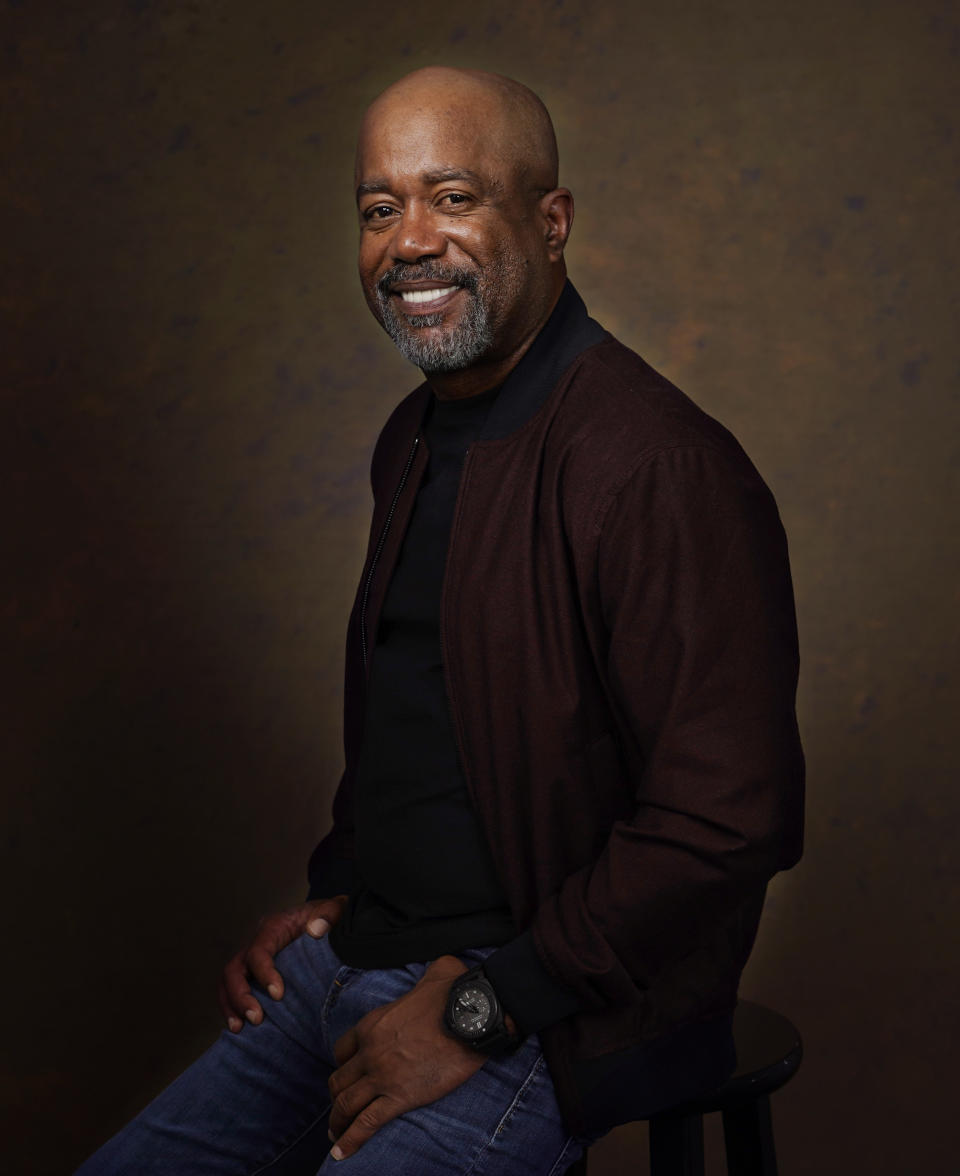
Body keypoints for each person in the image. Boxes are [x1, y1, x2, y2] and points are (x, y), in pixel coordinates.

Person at [76, 66, 804, 1175]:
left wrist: (482, 1007)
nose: (410, 241)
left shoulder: (656, 466)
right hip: (369, 951)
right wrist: (343, 892)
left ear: (550, 223)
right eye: (380, 209)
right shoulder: (412, 440)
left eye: (454, 197)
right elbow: (431, 724)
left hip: (556, 1004)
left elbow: (728, 820)